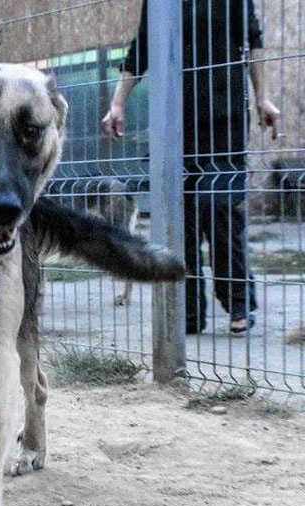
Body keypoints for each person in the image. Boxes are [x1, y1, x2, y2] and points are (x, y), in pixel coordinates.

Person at [103, 0, 281, 334]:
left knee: (220, 207)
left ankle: (238, 299)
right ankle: (188, 311)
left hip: (224, 116)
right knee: (180, 215)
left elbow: (252, 39)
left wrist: (263, 97)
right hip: (175, 120)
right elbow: (141, 45)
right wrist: (118, 103)